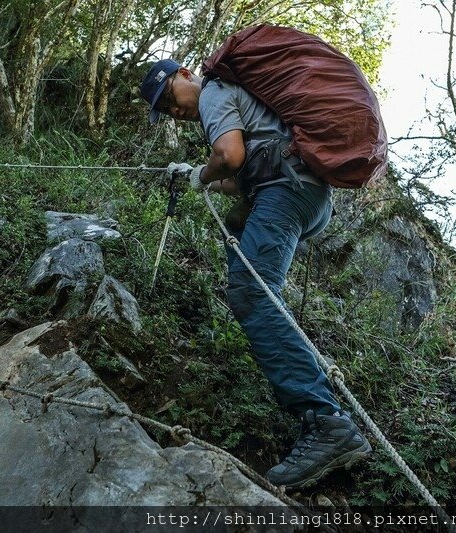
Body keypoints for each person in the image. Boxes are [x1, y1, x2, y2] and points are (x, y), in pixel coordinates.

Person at [140, 59, 371, 490]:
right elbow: (240, 175)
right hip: (296, 191)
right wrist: (200, 176)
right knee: (240, 251)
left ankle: (327, 422)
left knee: (253, 291)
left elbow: (229, 156)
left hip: (287, 189)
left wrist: (203, 173)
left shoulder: (212, 92)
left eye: (170, 97)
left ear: (186, 74)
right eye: (164, 110)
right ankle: (318, 412)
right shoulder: (229, 98)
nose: (174, 111)